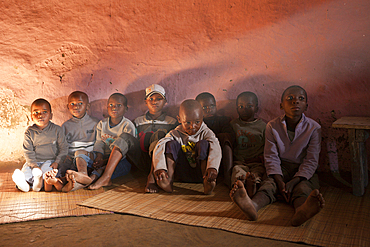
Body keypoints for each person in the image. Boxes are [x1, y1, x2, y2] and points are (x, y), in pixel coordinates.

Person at [230, 85, 325, 226]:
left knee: (303, 188)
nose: (295, 101)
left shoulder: (314, 128)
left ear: (306, 105)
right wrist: (280, 181)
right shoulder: (272, 126)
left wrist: (294, 181)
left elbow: (311, 160)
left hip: (303, 170)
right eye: (290, 98)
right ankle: (253, 206)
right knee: (268, 185)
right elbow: (270, 156)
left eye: (301, 99)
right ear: (281, 105)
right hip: (280, 168)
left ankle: (301, 211)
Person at [152, 99, 221, 195]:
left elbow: (216, 147)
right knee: (170, 144)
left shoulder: (206, 132)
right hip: (181, 173)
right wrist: (160, 168)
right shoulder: (176, 133)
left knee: (204, 144)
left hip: (200, 173)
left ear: (202, 118)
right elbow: (160, 146)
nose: (192, 126)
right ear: (179, 120)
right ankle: (168, 180)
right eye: (187, 122)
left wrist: (212, 167)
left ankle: (207, 182)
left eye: (197, 122)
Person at [12, 98, 68, 192]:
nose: (40, 115)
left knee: (47, 174)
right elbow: (28, 152)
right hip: (33, 162)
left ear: (51, 115)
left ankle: (36, 183)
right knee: (26, 173)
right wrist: (34, 165)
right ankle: (24, 185)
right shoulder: (29, 132)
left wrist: (57, 162)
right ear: (31, 117)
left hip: (50, 161)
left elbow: (64, 148)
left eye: (44, 112)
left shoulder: (57, 130)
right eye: (36, 112)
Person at [88, 93, 136, 190]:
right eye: (111, 105)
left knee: (121, 167)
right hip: (104, 157)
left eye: (119, 105)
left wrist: (105, 162)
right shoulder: (102, 124)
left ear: (126, 109)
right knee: (88, 160)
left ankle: (99, 177)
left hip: (122, 160)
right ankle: (86, 177)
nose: (114, 108)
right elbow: (99, 142)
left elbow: (128, 151)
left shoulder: (127, 125)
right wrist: (99, 157)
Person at [136, 84, 178, 193]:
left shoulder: (171, 122)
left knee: (159, 136)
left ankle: (152, 176)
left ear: (165, 102)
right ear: (146, 102)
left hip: (161, 160)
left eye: (159, 99)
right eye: (151, 99)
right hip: (142, 158)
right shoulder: (138, 121)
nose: (154, 102)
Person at [58, 91, 99, 192]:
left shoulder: (95, 123)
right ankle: (70, 184)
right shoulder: (66, 126)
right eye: (72, 104)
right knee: (62, 170)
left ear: (87, 106)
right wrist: (64, 155)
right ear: (68, 107)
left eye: (80, 103)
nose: (76, 107)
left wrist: (98, 156)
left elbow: (100, 142)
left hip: (89, 157)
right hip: (72, 158)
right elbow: (62, 144)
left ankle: (83, 174)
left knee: (79, 152)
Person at [230, 92, 266, 197]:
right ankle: (240, 186)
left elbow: (268, 147)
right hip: (240, 162)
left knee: (257, 173)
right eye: (241, 106)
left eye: (249, 106)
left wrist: (260, 159)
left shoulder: (263, 126)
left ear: (256, 108)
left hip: (257, 162)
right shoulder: (233, 125)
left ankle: (252, 186)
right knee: (237, 171)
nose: (244, 109)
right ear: (237, 108)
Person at [195, 92, 235, 188]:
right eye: (204, 107)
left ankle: (227, 175)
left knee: (225, 137)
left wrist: (216, 139)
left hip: (221, 154)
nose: (209, 110)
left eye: (212, 106)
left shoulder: (223, 120)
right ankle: (205, 178)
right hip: (202, 154)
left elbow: (231, 136)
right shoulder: (196, 123)